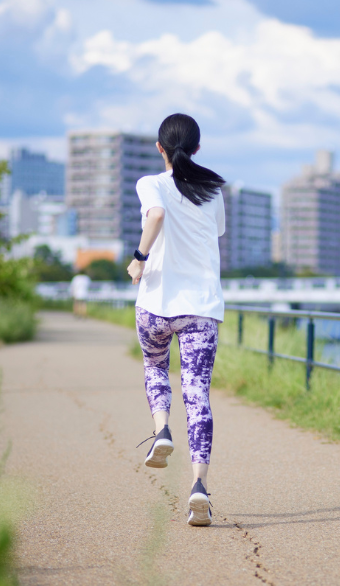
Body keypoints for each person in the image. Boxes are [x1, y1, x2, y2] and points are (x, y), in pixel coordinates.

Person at [128, 113, 225, 527]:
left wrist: (138, 258)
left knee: (154, 367)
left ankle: (162, 429)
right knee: (197, 390)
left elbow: (156, 216)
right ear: (198, 149)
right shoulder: (212, 191)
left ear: (159, 148)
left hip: (155, 303)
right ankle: (199, 487)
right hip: (200, 308)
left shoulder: (151, 183)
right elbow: (215, 234)